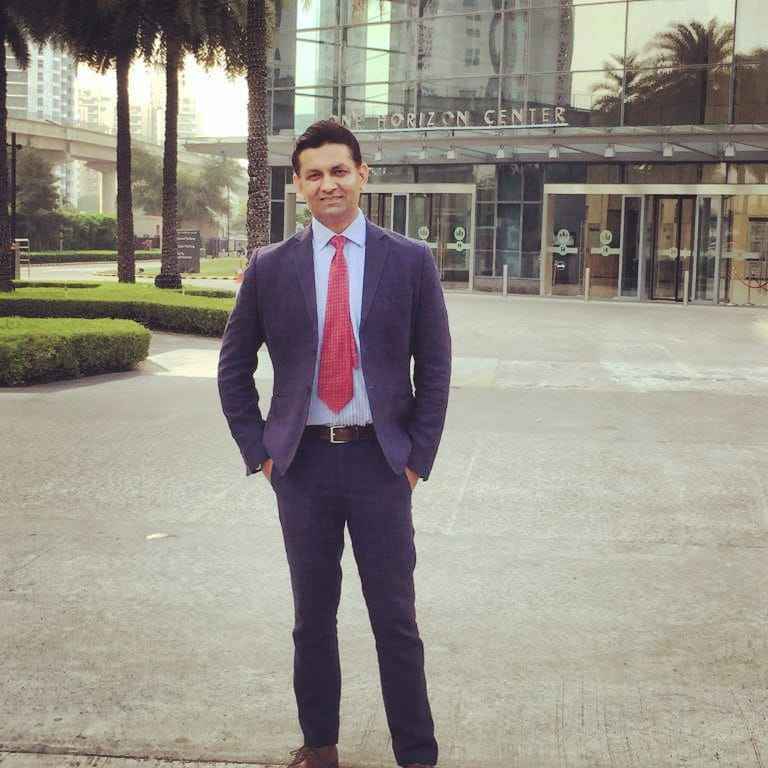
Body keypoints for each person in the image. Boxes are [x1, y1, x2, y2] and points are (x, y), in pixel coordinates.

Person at [217, 119, 451, 768]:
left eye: (339, 171)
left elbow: (435, 366)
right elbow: (233, 369)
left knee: (395, 620)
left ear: (362, 175)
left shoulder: (410, 261)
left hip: (382, 463)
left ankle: (417, 756)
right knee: (312, 618)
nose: (328, 184)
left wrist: (416, 459)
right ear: (298, 185)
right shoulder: (270, 268)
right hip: (303, 467)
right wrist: (262, 454)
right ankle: (319, 747)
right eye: (314, 174)